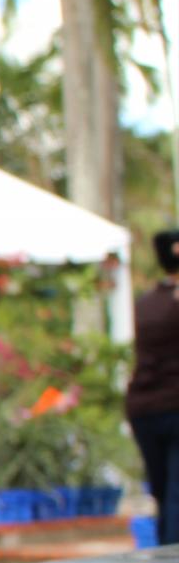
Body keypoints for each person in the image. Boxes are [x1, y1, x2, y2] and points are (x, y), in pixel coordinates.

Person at [127, 230, 179, 544]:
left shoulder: (145, 303)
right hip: (174, 407)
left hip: (143, 409)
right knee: (175, 495)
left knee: (162, 493)